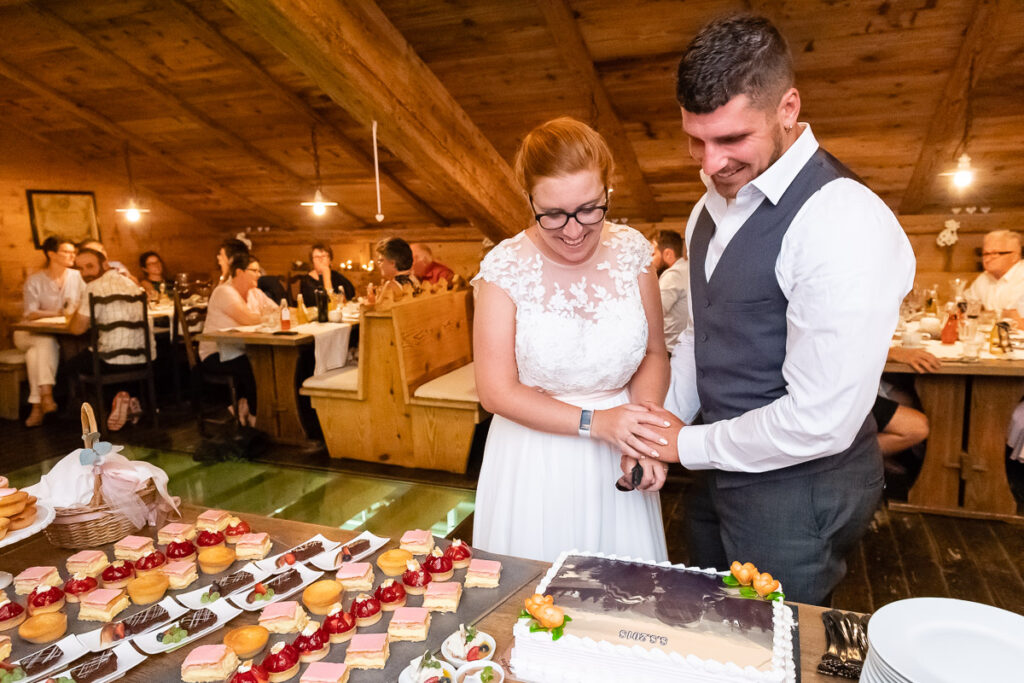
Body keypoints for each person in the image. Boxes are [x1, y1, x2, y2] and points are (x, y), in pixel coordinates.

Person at [636, 15, 915, 605]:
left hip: (799, 493)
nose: (709, 164)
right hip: (719, 472)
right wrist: (663, 423)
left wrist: (683, 446)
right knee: (716, 629)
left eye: (732, 139)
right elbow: (703, 338)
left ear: (788, 107)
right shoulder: (705, 210)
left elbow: (821, 419)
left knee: (778, 648)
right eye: (696, 139)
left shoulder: (841, 220)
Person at [471, 117, 671, 563]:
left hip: (622, 445)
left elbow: (654, 354)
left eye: (589, 209)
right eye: (554, 214)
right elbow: (495, 391)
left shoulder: (633, 252)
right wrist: (598, 424)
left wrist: (644, 436)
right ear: (530, 199)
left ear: (608, 192)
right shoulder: (505, 268)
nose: (574, 230)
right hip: (534, 460)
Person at [68, 248, 155, 431]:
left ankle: (97, 413)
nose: (85, 273)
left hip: (111, 362)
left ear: (105, 264)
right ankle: (129, 398)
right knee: (97, 355)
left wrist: (73, 311)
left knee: (70, 366)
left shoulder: (94, 287)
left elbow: (77, 329)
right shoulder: (132, 284)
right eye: (80, 269)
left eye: (90, 266)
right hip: (144, 359)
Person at [14, 236, 85, 426]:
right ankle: (45, 397)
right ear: (51, 254)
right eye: (66, 252)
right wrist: (61, 312)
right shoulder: (35, 280)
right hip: (27, 334)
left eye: (73, 252)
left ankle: (39, 403)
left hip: (50, 336)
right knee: (43, 343)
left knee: (37, 352)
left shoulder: (77, 277)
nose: (72, 255)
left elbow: (83, 303)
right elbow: (30, 313)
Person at [199, 253, 266, 427]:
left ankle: (254, 411)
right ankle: (255, 417)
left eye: (259, 271)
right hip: (216, 354)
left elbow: (280, 309)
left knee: (262, 360)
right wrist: (266, 316)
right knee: (253, 364)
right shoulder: (224, 291)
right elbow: (248, 320)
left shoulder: (254, 293)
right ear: (239, 272)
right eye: (254, 270)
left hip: (240, 350)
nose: (259, 275)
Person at [964, 230, 1024, 314]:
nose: (987, 259)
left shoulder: (1021, 278)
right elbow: (966, 307)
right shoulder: (984, 278)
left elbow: (1017, 319)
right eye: (985, 254)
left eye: (995, 253)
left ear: (1014, 256)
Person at [651, 230, 689, 350]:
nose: (649, 260)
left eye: (653, 254)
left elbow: (653, 314)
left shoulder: (673, 275)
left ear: (668, 254)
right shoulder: (688, 268)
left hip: (672, 350)